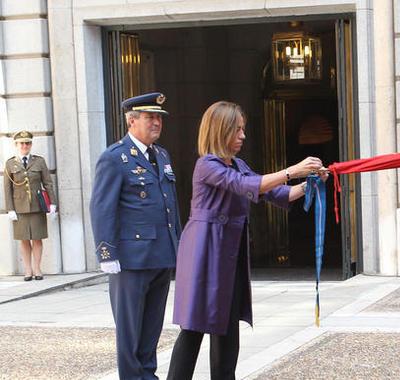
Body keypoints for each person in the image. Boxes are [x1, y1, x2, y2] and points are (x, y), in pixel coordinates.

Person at [166, 101, 325, 380]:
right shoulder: (207, 165)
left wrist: (312, 180)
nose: (243, 135)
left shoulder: (238, 164)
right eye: (237, 129)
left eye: (243, 129)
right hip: (204, 253)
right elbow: (244, 185)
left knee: (228, 329)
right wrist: (291, 170)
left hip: (229, 254)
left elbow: (279, 194)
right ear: (220, 131)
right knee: (193, 330)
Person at [90, 92, 181, 380]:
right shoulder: (114, 158)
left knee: (152, 327)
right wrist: (107, 253)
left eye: (159, 118)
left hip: (160, 255)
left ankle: (148, 375)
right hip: (131, 259)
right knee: (129, 331)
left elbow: (171, 207)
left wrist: (178, 247)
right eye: (149, 117)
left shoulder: (162, 155)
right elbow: (102, 208)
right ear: (131, 120)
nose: (156, 122)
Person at [4, 130, 57, 281]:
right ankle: (28, 270)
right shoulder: (10, 163)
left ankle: (37, 269)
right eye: (22, 143)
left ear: (31, 144)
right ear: (16, 145)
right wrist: (10, 209)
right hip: (19, 207)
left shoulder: (39, 161)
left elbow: (47, 183)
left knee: (37, 239)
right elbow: (7, 189)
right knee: (24, 240)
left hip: (37, 206)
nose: (25, 146)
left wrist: (52, 202)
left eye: (27, 143)